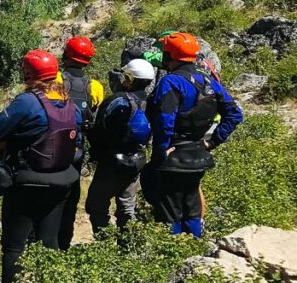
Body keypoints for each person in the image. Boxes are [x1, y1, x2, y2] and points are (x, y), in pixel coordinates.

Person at [0, 51, 82, 283]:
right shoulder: (69, 102)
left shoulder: (27, 102)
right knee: (49, 241)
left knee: (14, 246)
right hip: (62, 181)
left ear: (28, 75)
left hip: (27, 183)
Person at [142, 32, 243, 238]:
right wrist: (212, 142)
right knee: (192, 208)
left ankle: (173, 257)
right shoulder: (208, 80)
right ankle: (195, 249)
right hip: (198, 154)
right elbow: (234, 114)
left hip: (173, 158)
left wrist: (161, 151)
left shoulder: (171, 82)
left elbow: (164, 121)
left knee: (170, 212)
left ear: (170, 55)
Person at [84, 59, 155, 232]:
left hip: (111, 162)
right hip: (138, 159)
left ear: (129, 78)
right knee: (127, 206)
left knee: (96, 204)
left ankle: (103, 239)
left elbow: (100, 129)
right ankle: (126, 245)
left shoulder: (118, 100)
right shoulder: (153, 102)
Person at [56, 36, 104, 250]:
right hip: (77, 147)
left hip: (52, 146)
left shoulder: (55, 79)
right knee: (71, 196)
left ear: (66, 55)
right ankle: (64, 241)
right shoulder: (94, 87)